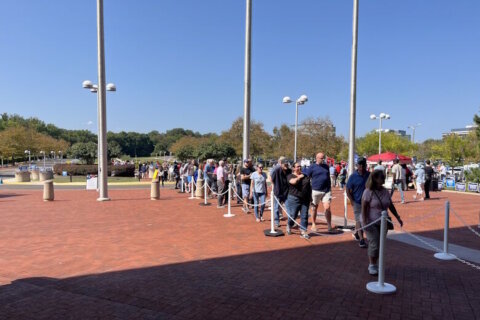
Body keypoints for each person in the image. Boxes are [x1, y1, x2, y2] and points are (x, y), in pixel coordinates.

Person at [362, 169, 403, 275]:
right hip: (371, 222)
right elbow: (364, 207)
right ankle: (372, 264)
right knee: (374, 244)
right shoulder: (368, 191)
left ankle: (377, 263)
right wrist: (365, 221)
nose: (384, 180)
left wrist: (397, 217)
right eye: (382, 178)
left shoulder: (385, 191)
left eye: (384, 177)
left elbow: (390, 204)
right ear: (375, 179)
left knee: (381, 244)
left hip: (383, 222)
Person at [304, 152, 333, 232]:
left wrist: (329, 188)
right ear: (317, 158)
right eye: (321, 158)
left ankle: (329, 225)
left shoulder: (326, 167)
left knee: (327, 207)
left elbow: (328, 178)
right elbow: (307, 177)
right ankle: (313, 224)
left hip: (326, 190)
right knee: (314, 208)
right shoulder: (312, 167)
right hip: (315, 190)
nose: (322, 159)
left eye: (323, 158)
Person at [346, 157, 370, 248]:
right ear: (357, 165)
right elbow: (348, 189)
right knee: (359, 220)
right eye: (360, 165)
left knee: (365, 220)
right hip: (357, 202)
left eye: (364, 165)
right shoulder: (353, 176)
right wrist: (351, 200)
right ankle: (361, 240)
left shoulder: (369, 175)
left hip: (367, 202)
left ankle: (357, 233)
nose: (362, 166)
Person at [286, 162, 312, 239]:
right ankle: (289, 225)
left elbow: (308, 187)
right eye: (297, 167)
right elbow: (293, 182)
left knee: (304, 215)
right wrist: (299, 177)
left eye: (300, 166)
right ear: (293, 168)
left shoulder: (305, 176)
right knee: (293, 215)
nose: (299, 168)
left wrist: (310, 197)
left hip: (305, 198)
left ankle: (303, 231)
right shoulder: (290, 176)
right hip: (294, 198)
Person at [270, 157, 291, 227]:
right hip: (278, 192)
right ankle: (276, 221)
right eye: (285, 164)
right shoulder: (276, 170)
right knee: (276, 208)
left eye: (287, 164)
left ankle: (290, 223)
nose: (286, 166)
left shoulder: (289, 171)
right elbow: (272, 179)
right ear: (281, 164)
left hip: (286, 192)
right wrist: (274, 188)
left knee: (289, 208)